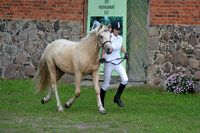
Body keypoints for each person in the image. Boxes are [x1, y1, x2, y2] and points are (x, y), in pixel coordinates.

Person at [99, 20, 128, 107]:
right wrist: (103, 56)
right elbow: (104, 48)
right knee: (106, 85)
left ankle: (117, 97)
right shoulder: (109, 37)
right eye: (116, 29)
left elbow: (120, 46)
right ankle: (101, 103)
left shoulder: (120, 38)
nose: (118, 31)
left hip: (118, 62)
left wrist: (125, 53)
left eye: (119, 29)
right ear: (112, 29)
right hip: (109, 63)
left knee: (125, 79)